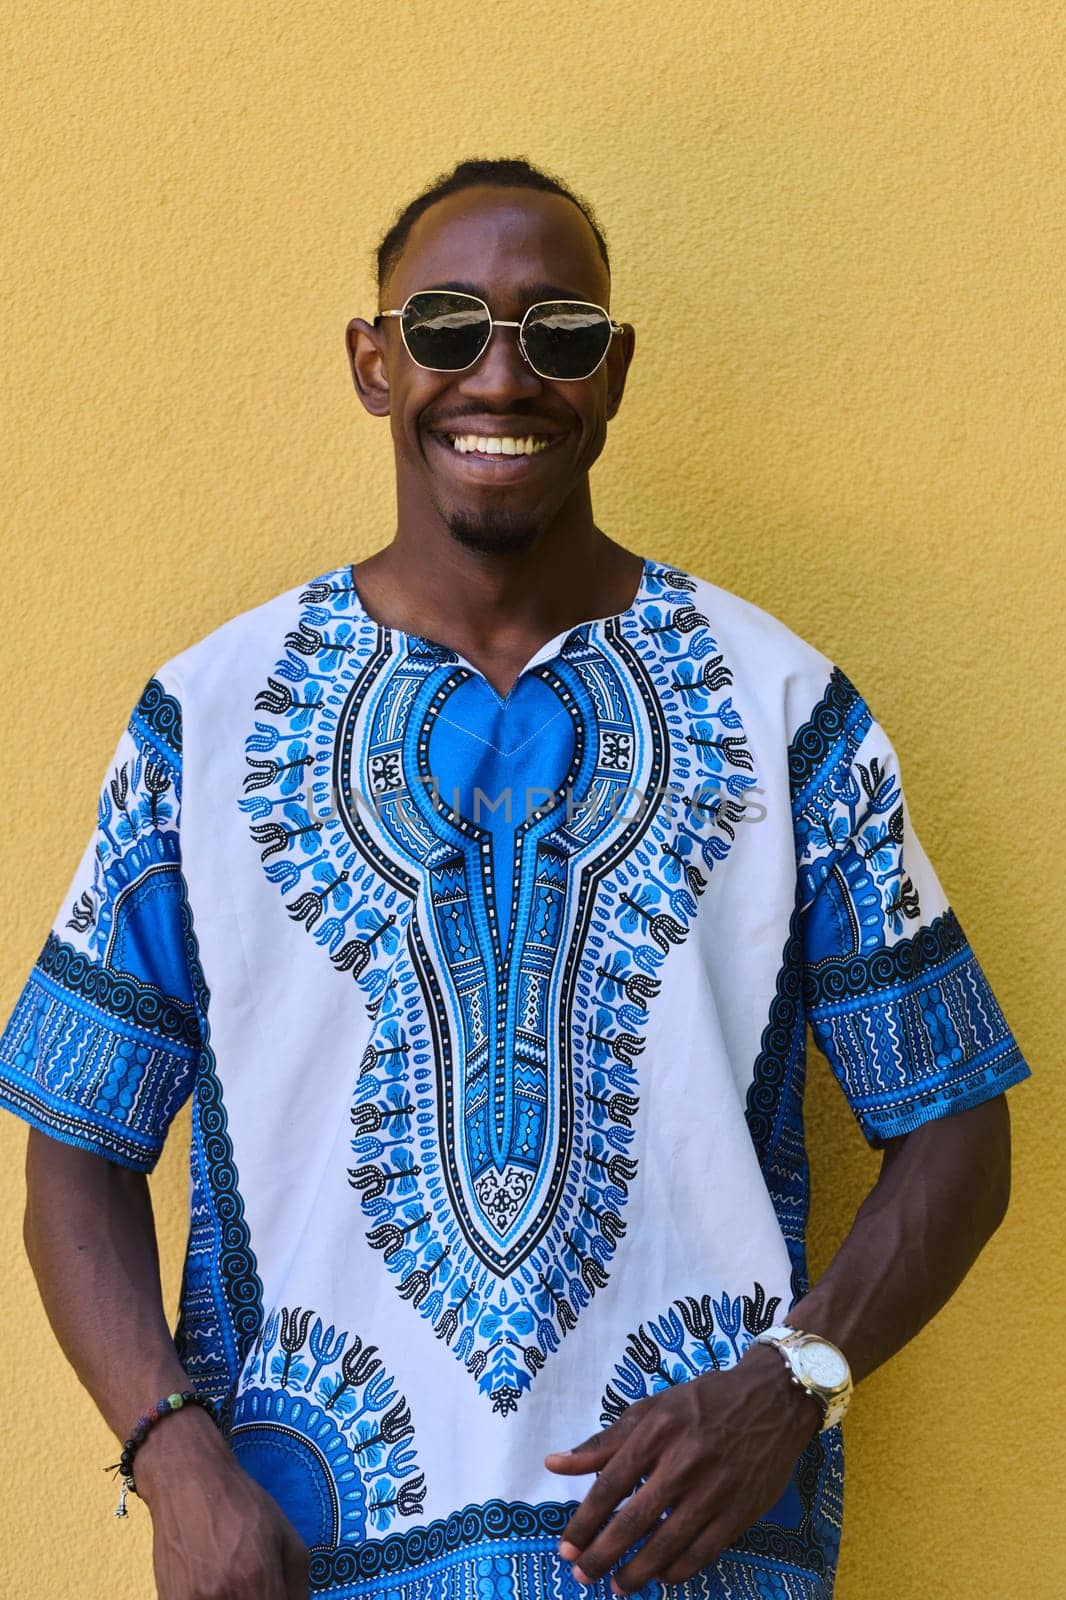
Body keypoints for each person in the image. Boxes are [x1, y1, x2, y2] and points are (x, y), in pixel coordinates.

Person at [0, 155, 1031, 1600]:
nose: (499, 375)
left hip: (681, 1557)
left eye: (555, 336)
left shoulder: (778, 705)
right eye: (443, 329)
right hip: (302, 1560)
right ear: (373, 365)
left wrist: (792, 1383)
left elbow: (956, 1133)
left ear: (608, 375)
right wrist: (174, 1463)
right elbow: (74, 1148)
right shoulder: (209, 718)